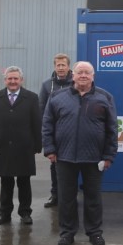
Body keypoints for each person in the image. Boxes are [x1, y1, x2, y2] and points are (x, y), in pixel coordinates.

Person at [42, 61, 117, 245]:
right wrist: (50, 149)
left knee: (93, 198)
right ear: (72, 75)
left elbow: (112, 129)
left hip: (94, 158)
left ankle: (95, 232)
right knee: (66, 198)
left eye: (87, 72)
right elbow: (47, 124)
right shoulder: (57, 97)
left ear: (93, 76)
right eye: (80, 72)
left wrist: (108, 155)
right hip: (64, 156)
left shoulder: (105, 97)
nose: (83, 75)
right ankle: (67, 233)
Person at [0, 66, 42, 226]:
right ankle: (4, 214)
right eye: (10, 78)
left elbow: (36, 123)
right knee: (6, 182)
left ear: (21, 80)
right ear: (5, 80)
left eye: (16, 78)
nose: (13, 81)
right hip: (4, 147)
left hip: (25, 147)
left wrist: (37, 145)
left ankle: (25, 213)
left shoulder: (31, 98)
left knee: (24, 182)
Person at [39, 54, 73, 209]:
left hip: (72, 132)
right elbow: (41, 110)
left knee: (73, 166)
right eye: (58, 65)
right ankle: (55, 195)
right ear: (54, 67)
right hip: (55, 134)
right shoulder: (47, 85)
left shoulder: (75, 83)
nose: (60, 68)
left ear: (68, 66)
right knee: (55, 165)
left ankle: (71, 195)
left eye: (63, 65)